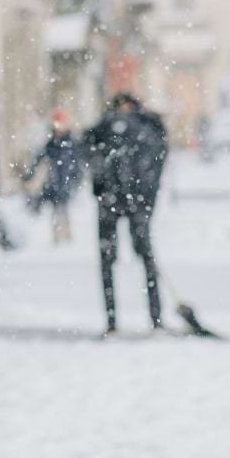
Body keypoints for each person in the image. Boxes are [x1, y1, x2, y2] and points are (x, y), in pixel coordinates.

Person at [83, 93, 168, 335]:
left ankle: (138, 319)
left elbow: (92, 155)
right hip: (126, 200)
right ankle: (148, 318)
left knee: (131, 259)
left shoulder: (110, 128)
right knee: (138, 258)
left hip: (123, 200)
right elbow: (156, 163)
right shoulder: (145, 128)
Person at [25, 109, 83, 243]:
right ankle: (58, 235)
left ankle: (67, 235)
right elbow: (40, 158)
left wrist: (76, 178)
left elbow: (77, 162)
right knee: (57, 208)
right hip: (54, 181)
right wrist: (30, 174)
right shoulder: (52, 143)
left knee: (63, 208)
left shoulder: (71, 142)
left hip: (66, 180)